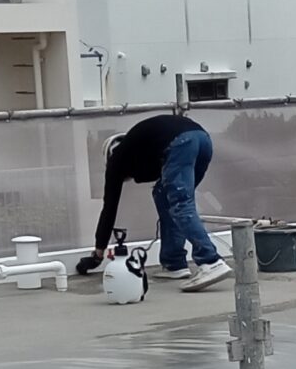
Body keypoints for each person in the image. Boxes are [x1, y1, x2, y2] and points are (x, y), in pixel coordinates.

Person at [75, 112, 229, 290]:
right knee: (163, 195)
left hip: (182, 142)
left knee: (180, 204)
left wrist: (98, 252)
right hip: (203, 140)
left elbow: (109, 209)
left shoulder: (117, 160)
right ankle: (174, 263)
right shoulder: (143, 147)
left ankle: (211, 261)